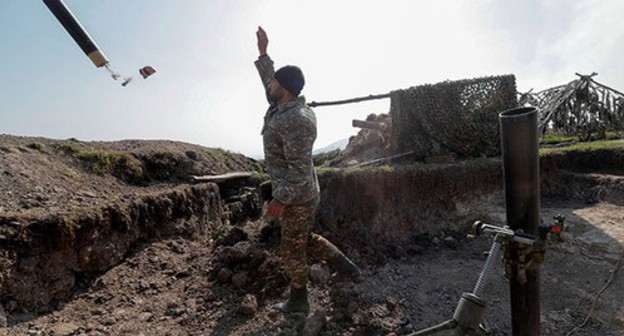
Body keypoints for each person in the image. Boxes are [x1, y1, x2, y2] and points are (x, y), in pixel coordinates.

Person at [255, 26, 362, 315]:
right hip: (297, 192)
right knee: (303, 238)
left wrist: (280, 200)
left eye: (275, 82)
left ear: (285, 89)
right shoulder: (283, 105)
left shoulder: (296, 120)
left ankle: (299, 301)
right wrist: (264, 53)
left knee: (291, 250)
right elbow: (269, 82)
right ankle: (344, 264)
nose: (270, 85)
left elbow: (300, 169)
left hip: (297, 196)